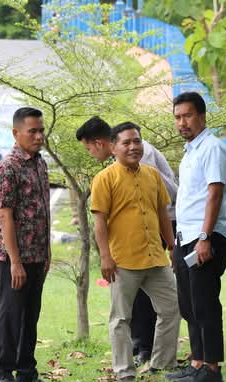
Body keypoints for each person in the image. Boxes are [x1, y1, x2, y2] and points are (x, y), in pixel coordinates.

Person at [76, 116, 179, 366]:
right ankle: (124, 370)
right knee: (121, 318)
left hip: (155, 258)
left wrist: (172, 246)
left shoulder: (152, 175)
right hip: (123, 260)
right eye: (126, 143)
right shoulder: (104, 178)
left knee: (172, 308)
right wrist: (105, 256)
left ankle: (162, 364)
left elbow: (163, 214)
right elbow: (100, 221)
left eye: (137, 141)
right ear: (113, 147)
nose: (133, 147)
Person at [167, 92, 226, 382]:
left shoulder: (212, 148)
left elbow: (214, 194)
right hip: (186, 238)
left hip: (206, 237)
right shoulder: (190, 152)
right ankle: (197, 362)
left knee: (205, 303)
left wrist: (204, 238)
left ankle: (212, 368)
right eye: (178, 117)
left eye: (188, 116)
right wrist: (177, 244)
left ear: (202, 117)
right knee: (189, 304)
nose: (182, 122)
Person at [0, 107, 52, 382]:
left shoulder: (40, 164)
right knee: (11, 314)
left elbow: (42, 211)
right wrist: (15, 262)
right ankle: (2, 371)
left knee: (31, 314)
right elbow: (5, 215)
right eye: (32, 131)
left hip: (37, 254)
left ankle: (27, 370)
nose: (39, 136)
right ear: (16, 133)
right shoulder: (9, 168)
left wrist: (47, 253)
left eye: (41, 130)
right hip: (13, 256)